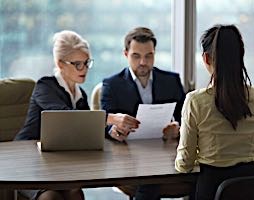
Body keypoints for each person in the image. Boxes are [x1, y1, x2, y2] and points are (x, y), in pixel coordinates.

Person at [14, 30, 133, 200]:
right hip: (28, 159)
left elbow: (86, 127)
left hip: (55, 162)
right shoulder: (45, 87)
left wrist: (111, 131)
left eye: (86, 63)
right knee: (51, 197)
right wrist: (111, 117)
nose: (84, 69)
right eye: (78, 64)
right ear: (60, 63)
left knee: (75, 193)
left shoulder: (80, 94)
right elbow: (65, 116)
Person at [175, 24, 254, 200]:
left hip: (211, 190)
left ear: (206, 58)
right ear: (240, 56)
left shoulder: (195, 101)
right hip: (251, 188)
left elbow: (185, 164)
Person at [101, 27, 186, 199]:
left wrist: (178, 128)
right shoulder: (112, 84)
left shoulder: (172, 80)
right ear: (126, 54)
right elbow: (104, 121)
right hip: (130, 154)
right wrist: (113, 131)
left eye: (149, 56)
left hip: (166, 150)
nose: (143, 62)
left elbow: (186, 118)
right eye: (136, 56)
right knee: (150, 180)